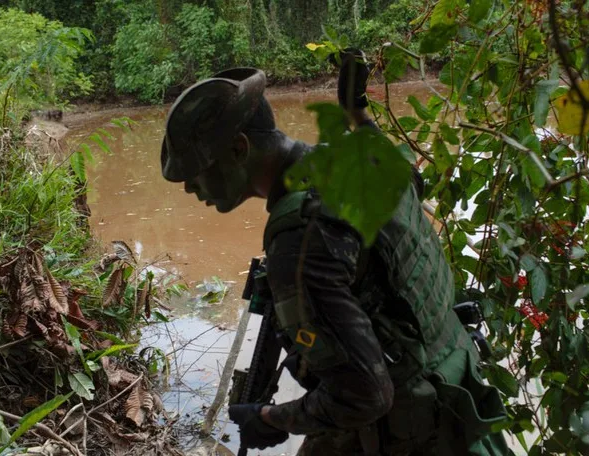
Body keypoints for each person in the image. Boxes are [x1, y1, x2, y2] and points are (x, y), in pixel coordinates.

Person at [160, 54, 512, 455]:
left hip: (410, 430)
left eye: (197, 170)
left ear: (239, 148)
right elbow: (410, 179)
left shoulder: (300, 239)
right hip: (456, 392)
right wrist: (358, 112)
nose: (190, 188)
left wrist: (270, 418)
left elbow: (365, 395)